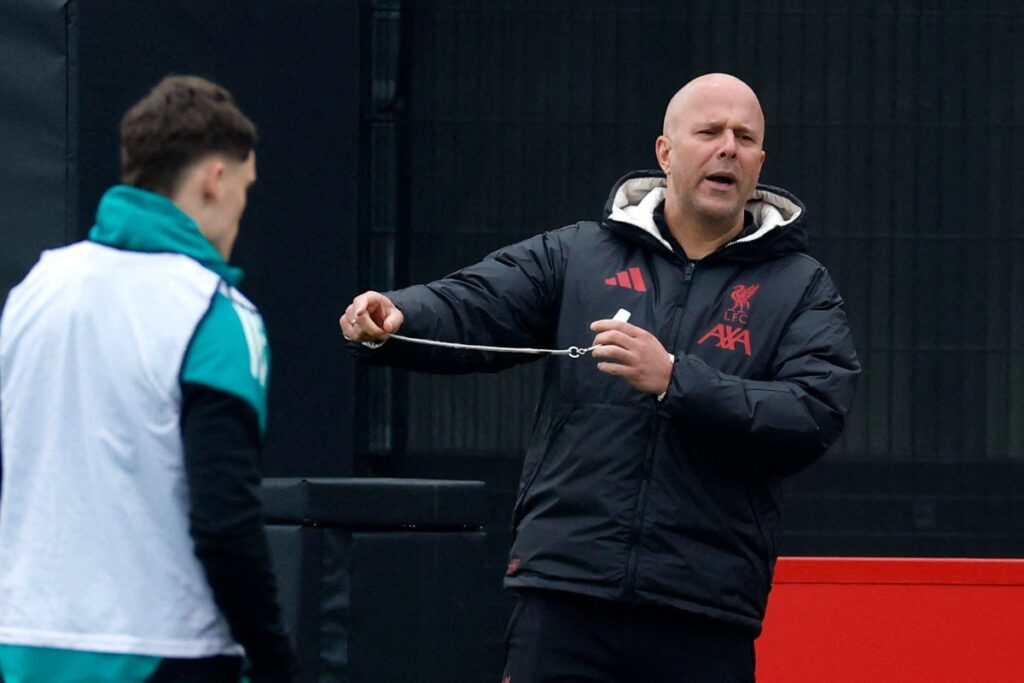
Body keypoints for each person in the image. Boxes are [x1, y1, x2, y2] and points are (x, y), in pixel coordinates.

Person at [340, 73, 860, 682]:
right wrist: (400, 316)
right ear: (665, 151)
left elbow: (812, 412)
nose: (728, 148)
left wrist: (675, 380)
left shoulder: (800, 285)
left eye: (744, 138)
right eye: (709, 132)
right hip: (566, 596)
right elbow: (479, 302)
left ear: (760, 163)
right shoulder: (581, 253)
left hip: (705, 609)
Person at [0, 76, 296, 682]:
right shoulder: (216, 313)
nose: (242, 209)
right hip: (165, 650)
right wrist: (274, 660)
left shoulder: (36, 289)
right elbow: (225, 521)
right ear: (215, 178)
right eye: (245, 188)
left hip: (23, 646)